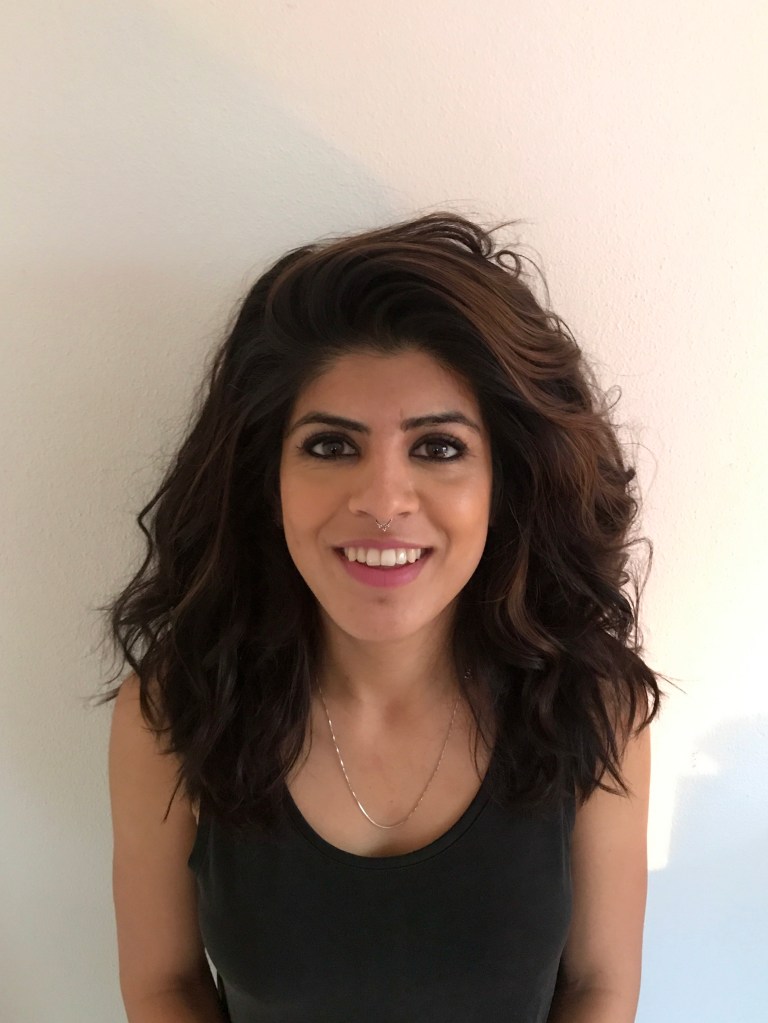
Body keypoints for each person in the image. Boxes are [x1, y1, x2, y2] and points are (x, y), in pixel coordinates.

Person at [101, 211, 664, 1022]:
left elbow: (599, 986)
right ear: (268, 482)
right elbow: (164, 984)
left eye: (438, 448)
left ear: (506, 483)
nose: (383, 500)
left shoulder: (596, 707)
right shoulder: (171, 712)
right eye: (332, 446)